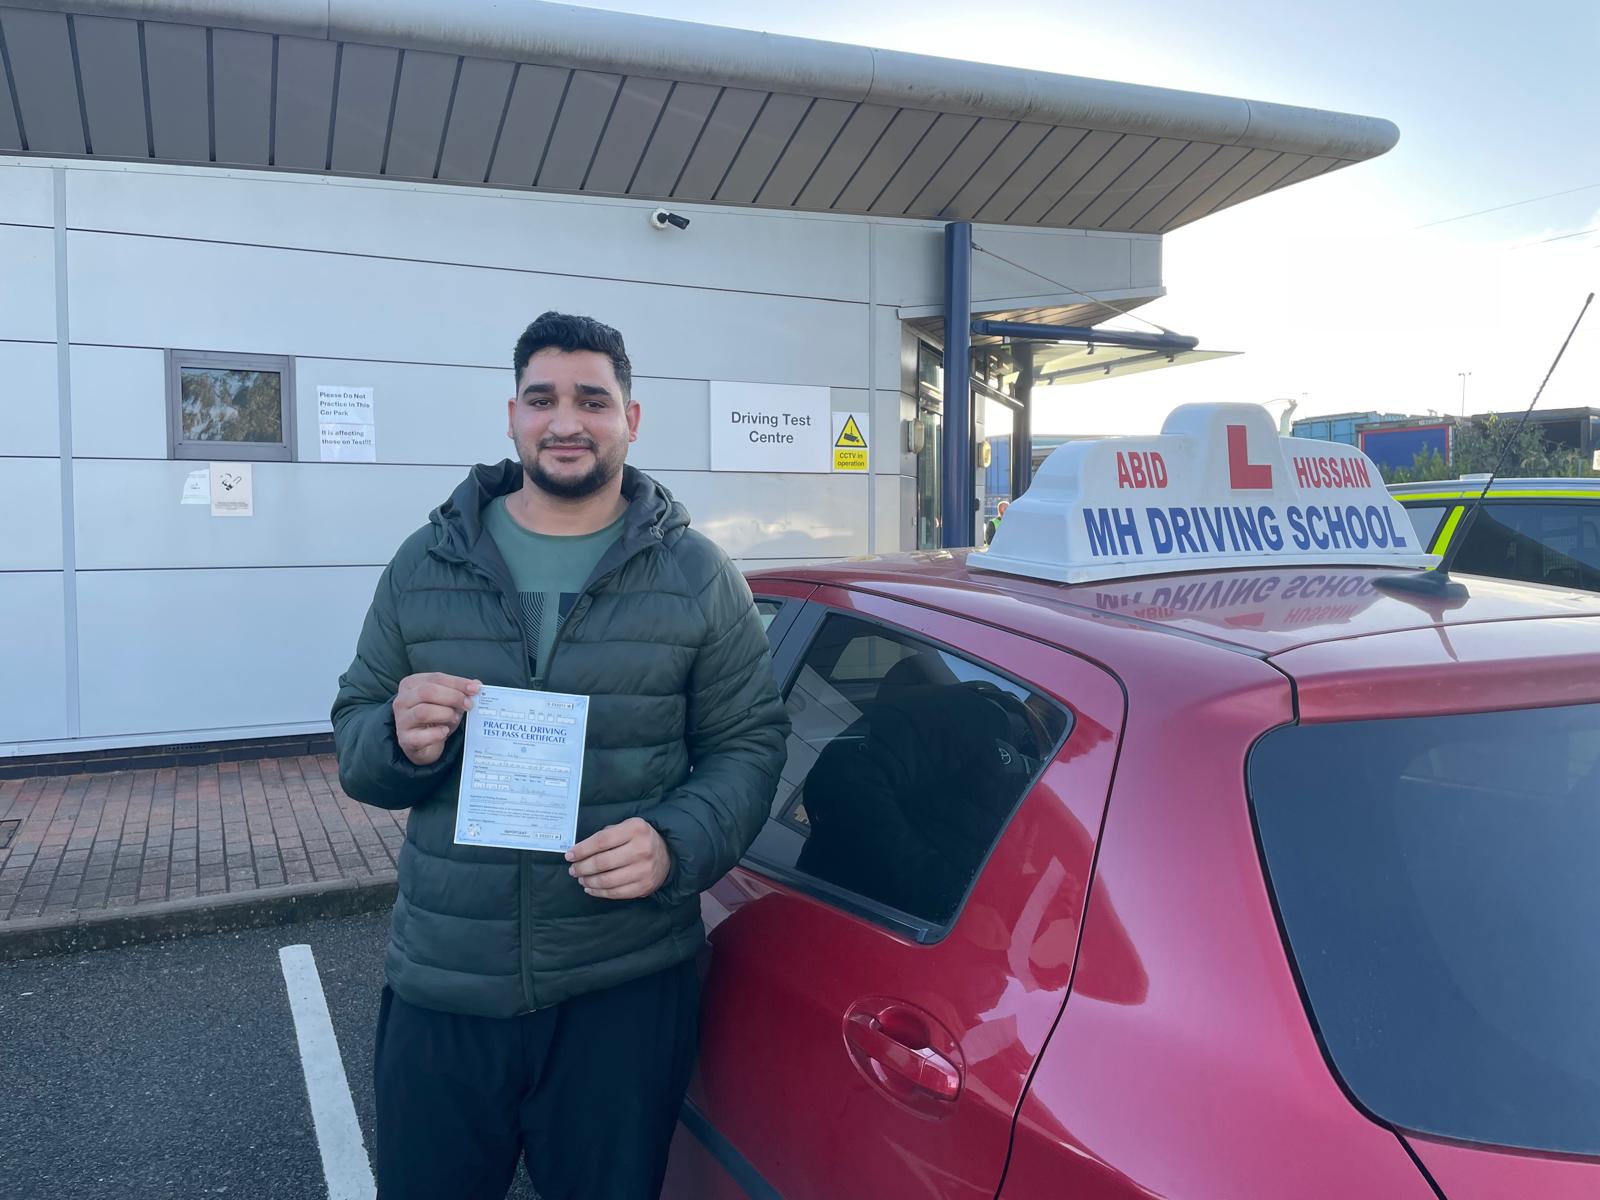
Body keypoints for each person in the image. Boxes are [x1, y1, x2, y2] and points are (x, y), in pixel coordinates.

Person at [330, 311, 790, 1200]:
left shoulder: (696, 574)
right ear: (512, 415)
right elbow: (356, 735)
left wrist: (675, 839)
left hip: (622, 989)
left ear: (632, 418)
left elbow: (750, 743)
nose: (566, 420)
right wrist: (395, 738)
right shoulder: (425, 563)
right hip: (446, 984)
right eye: (543, 399)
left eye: (593, 399)